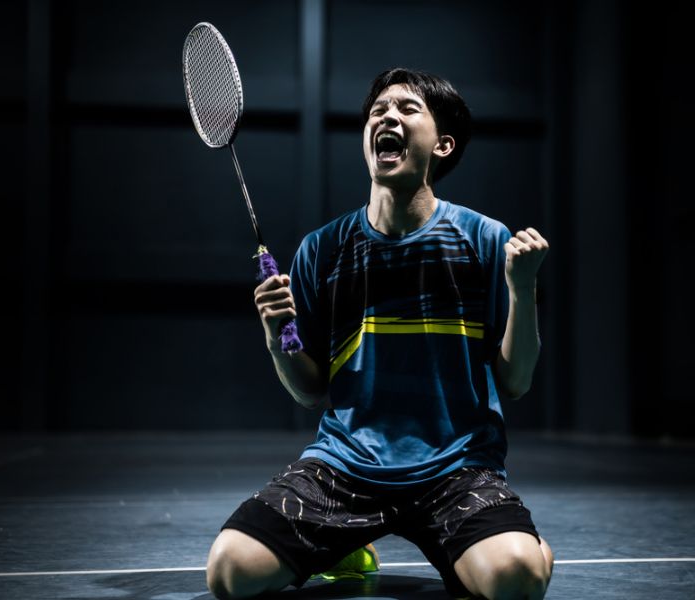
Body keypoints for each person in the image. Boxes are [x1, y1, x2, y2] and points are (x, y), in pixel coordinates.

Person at [206, 68, 553, 599]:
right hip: (345, 467)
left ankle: (523, 546)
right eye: (378, 110)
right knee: (230, 573)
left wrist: (522, 290)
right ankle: (346, 545)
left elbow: (516, 382)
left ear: (442, 145)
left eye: (408, 108)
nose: (388, 116)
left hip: (456, 467)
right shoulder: (322, 250)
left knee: (517, 579)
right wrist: (277, 337)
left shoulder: (483, 238)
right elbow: (310, 391)